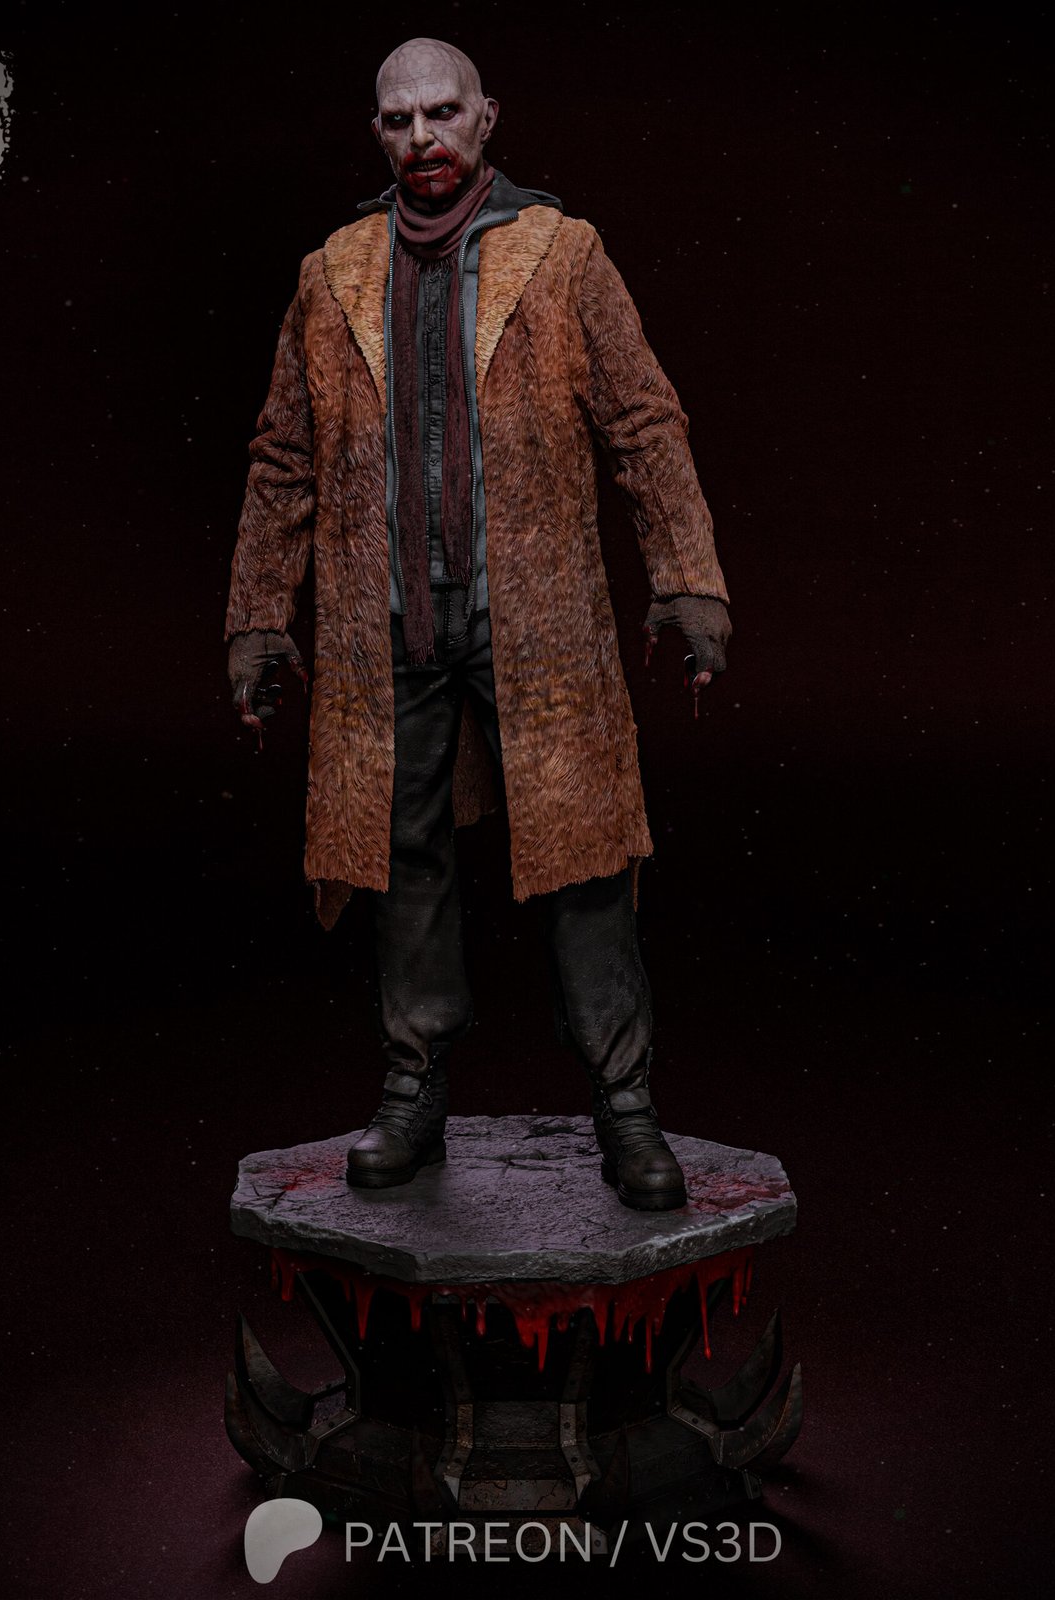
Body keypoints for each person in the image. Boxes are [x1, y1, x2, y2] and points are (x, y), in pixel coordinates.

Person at [225, 38, 731, 1210]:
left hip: (536, 629)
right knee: (401, 860)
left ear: (487, 116)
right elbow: (282, 456)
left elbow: (643, 420)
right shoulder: (332, 273)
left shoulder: (561, 254)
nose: (423, 138)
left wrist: (688, 580)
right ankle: (411, 1089)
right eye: (398, 120)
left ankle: (625, 1102)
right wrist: (257, 616)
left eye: (442, 113)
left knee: (586, 860)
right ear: (376, 132)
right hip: (387, 630)